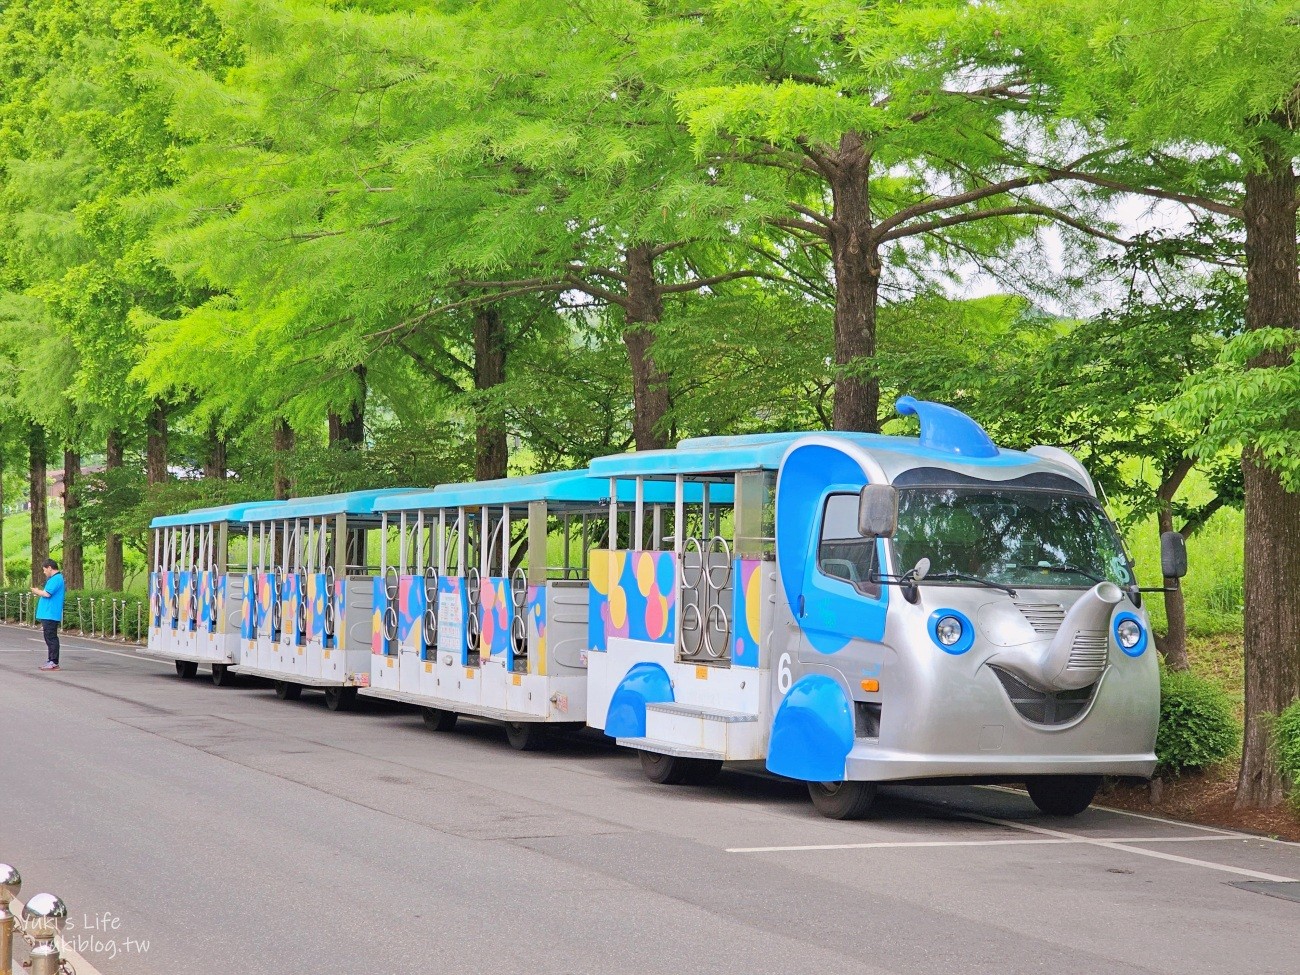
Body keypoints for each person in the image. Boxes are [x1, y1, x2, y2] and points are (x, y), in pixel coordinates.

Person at [31, 558, 65, 671]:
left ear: (50, 568)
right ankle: (51, 660)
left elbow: (47, 594)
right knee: (48, 637)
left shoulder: (56, 579)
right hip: (47, 613)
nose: (44, 572)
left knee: (51, 638)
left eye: (45, 569)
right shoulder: (54, 579)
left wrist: (36, 591)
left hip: (50, 613)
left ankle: (54, 662)